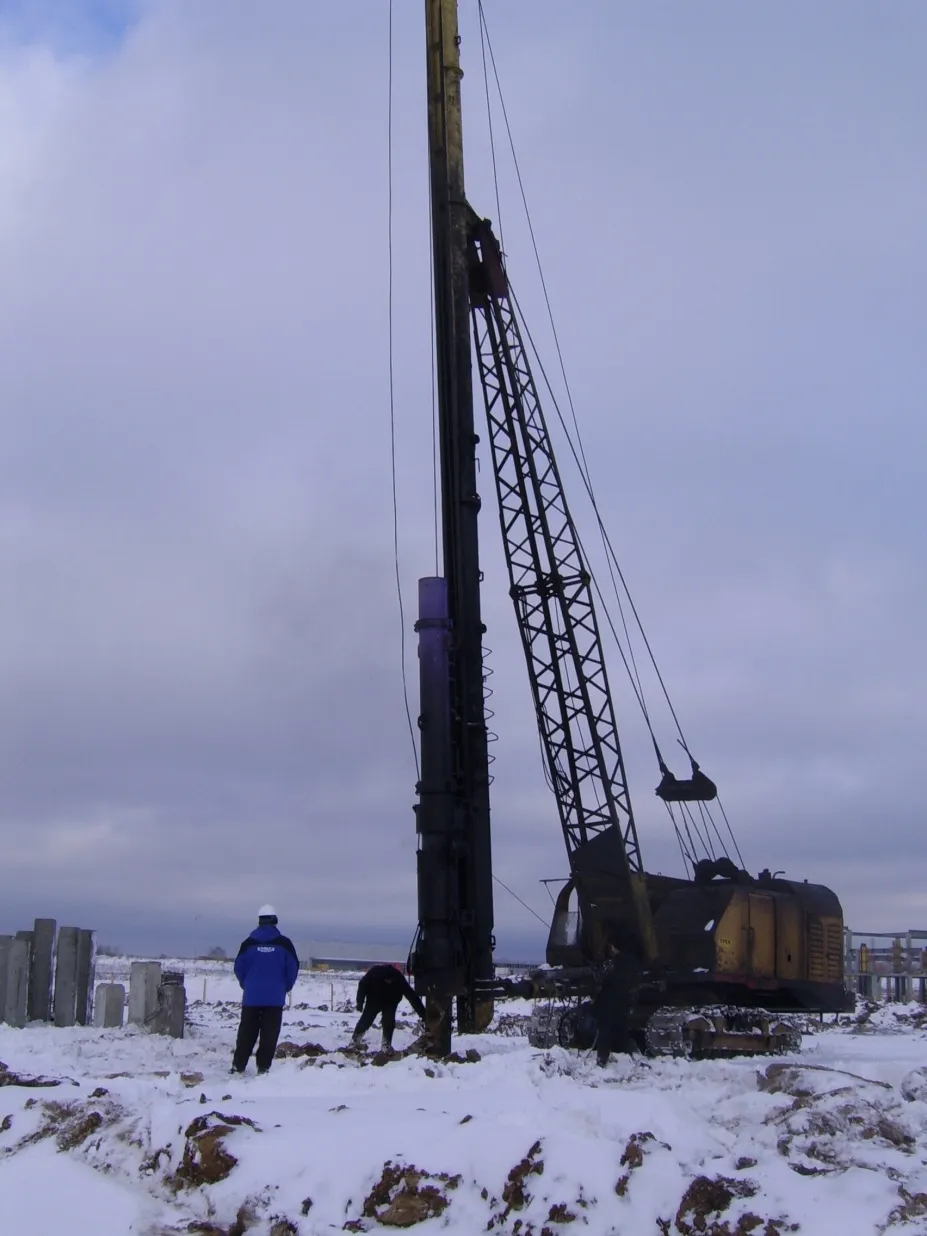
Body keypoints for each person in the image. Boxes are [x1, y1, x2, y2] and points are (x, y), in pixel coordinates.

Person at [230, 904, 299, 1075]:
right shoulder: (284, 944)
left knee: (246, 1032)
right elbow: (293, 968)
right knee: (269, 1033)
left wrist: (246, 984)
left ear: (259, 921)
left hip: (251, 997)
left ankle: (238, 1065)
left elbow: (239, 967)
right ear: (275, 920)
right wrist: (285, 987)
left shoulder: (248, 943)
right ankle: (263, 1067)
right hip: (275, 998)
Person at [352, 963, 426, 1052]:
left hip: (391, 1002)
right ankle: (354, 1041)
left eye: (391, 981)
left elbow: (412, 996)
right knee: (366, 1019)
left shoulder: (399, 978)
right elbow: (362, 985)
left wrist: (423, 1014)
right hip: (374, 1000)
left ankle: (386, 1045)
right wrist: (360, 1003)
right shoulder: (374, 973)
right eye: (387, 981)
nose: (389, 982)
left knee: (389, 1022)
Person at [592, 947, 643, 1067]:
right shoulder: (632, 961)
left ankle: (601, 1061)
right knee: (622, 1033)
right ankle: (636, 1056)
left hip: (609, 1004)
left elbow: (601, 979)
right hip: (623, 1003)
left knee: (605, 1032)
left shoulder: (612, 964)